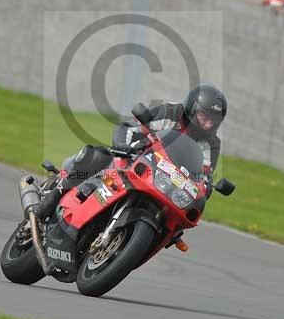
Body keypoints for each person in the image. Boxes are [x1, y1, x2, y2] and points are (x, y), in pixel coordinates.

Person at [36, 84, 227, 219]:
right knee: (96, 156)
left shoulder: (211, 143)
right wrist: (124, 146)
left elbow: (204, 177)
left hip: (165, 183)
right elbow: (131, 127)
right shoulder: (171, 112)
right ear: (192, 108)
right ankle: (54, 197)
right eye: (203, 116)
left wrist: (206, 187)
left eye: (213, 120)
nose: (207, 123)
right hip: (137, 160)